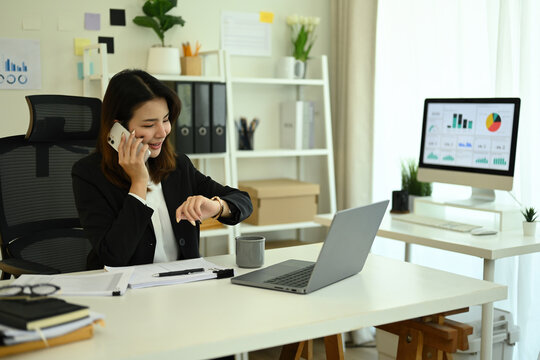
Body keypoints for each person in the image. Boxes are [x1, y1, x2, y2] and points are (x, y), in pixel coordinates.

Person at [72, 69, 253, 270]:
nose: (162, 132)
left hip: (182, 285)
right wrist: (139, 183)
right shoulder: (88, 174)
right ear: (119, 128)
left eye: (165, 120)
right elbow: (113, 256)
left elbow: (243, 201)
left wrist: (217, 207)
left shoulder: (178, 165)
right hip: (126, 293)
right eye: (149, 124)